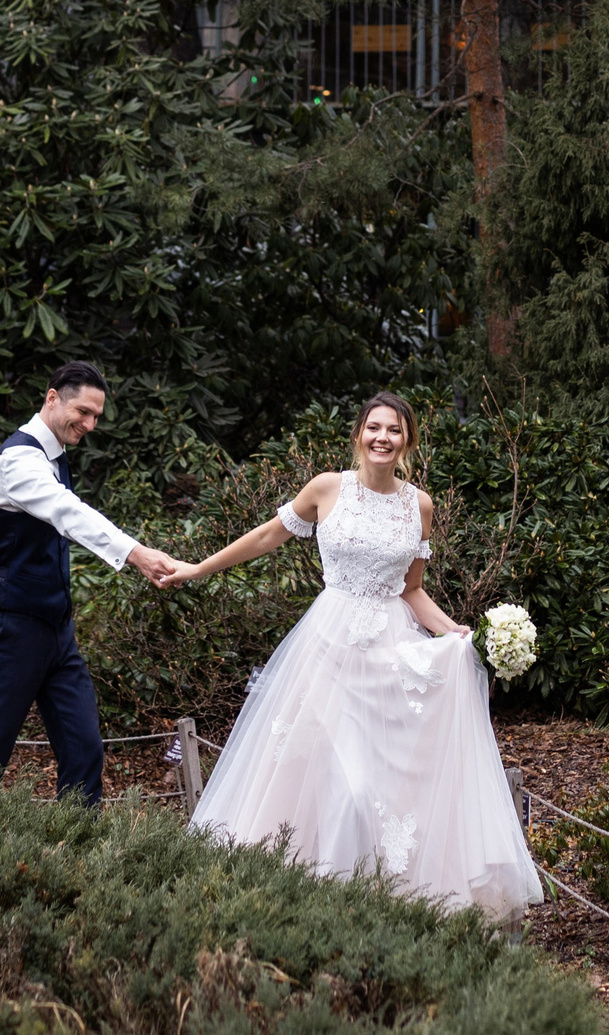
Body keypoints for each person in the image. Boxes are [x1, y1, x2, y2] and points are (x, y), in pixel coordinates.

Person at [157, 392, 543, 921]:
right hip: (327, 649)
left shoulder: (419, 506)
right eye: (374, 428)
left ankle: (377, 902)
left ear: (407, 441)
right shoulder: (327, 488)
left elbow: (413, 590)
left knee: (380, 788)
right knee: (343, 783)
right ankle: (321, 899)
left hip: (390, 655)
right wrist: (197, 568)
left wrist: (457, 633)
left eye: (395, 430)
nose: (383, 438)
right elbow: (269, 535)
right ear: (359, 433)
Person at [0, 360, 178, 803]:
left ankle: (77, 851)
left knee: (84, 749)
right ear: (52, 397)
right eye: (83, 412)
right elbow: (67, 511)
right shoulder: (18, 460)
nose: (90, 424)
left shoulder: (52, 456)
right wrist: (135, 553)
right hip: (10, 629)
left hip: (58, 634)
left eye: (96, 416)